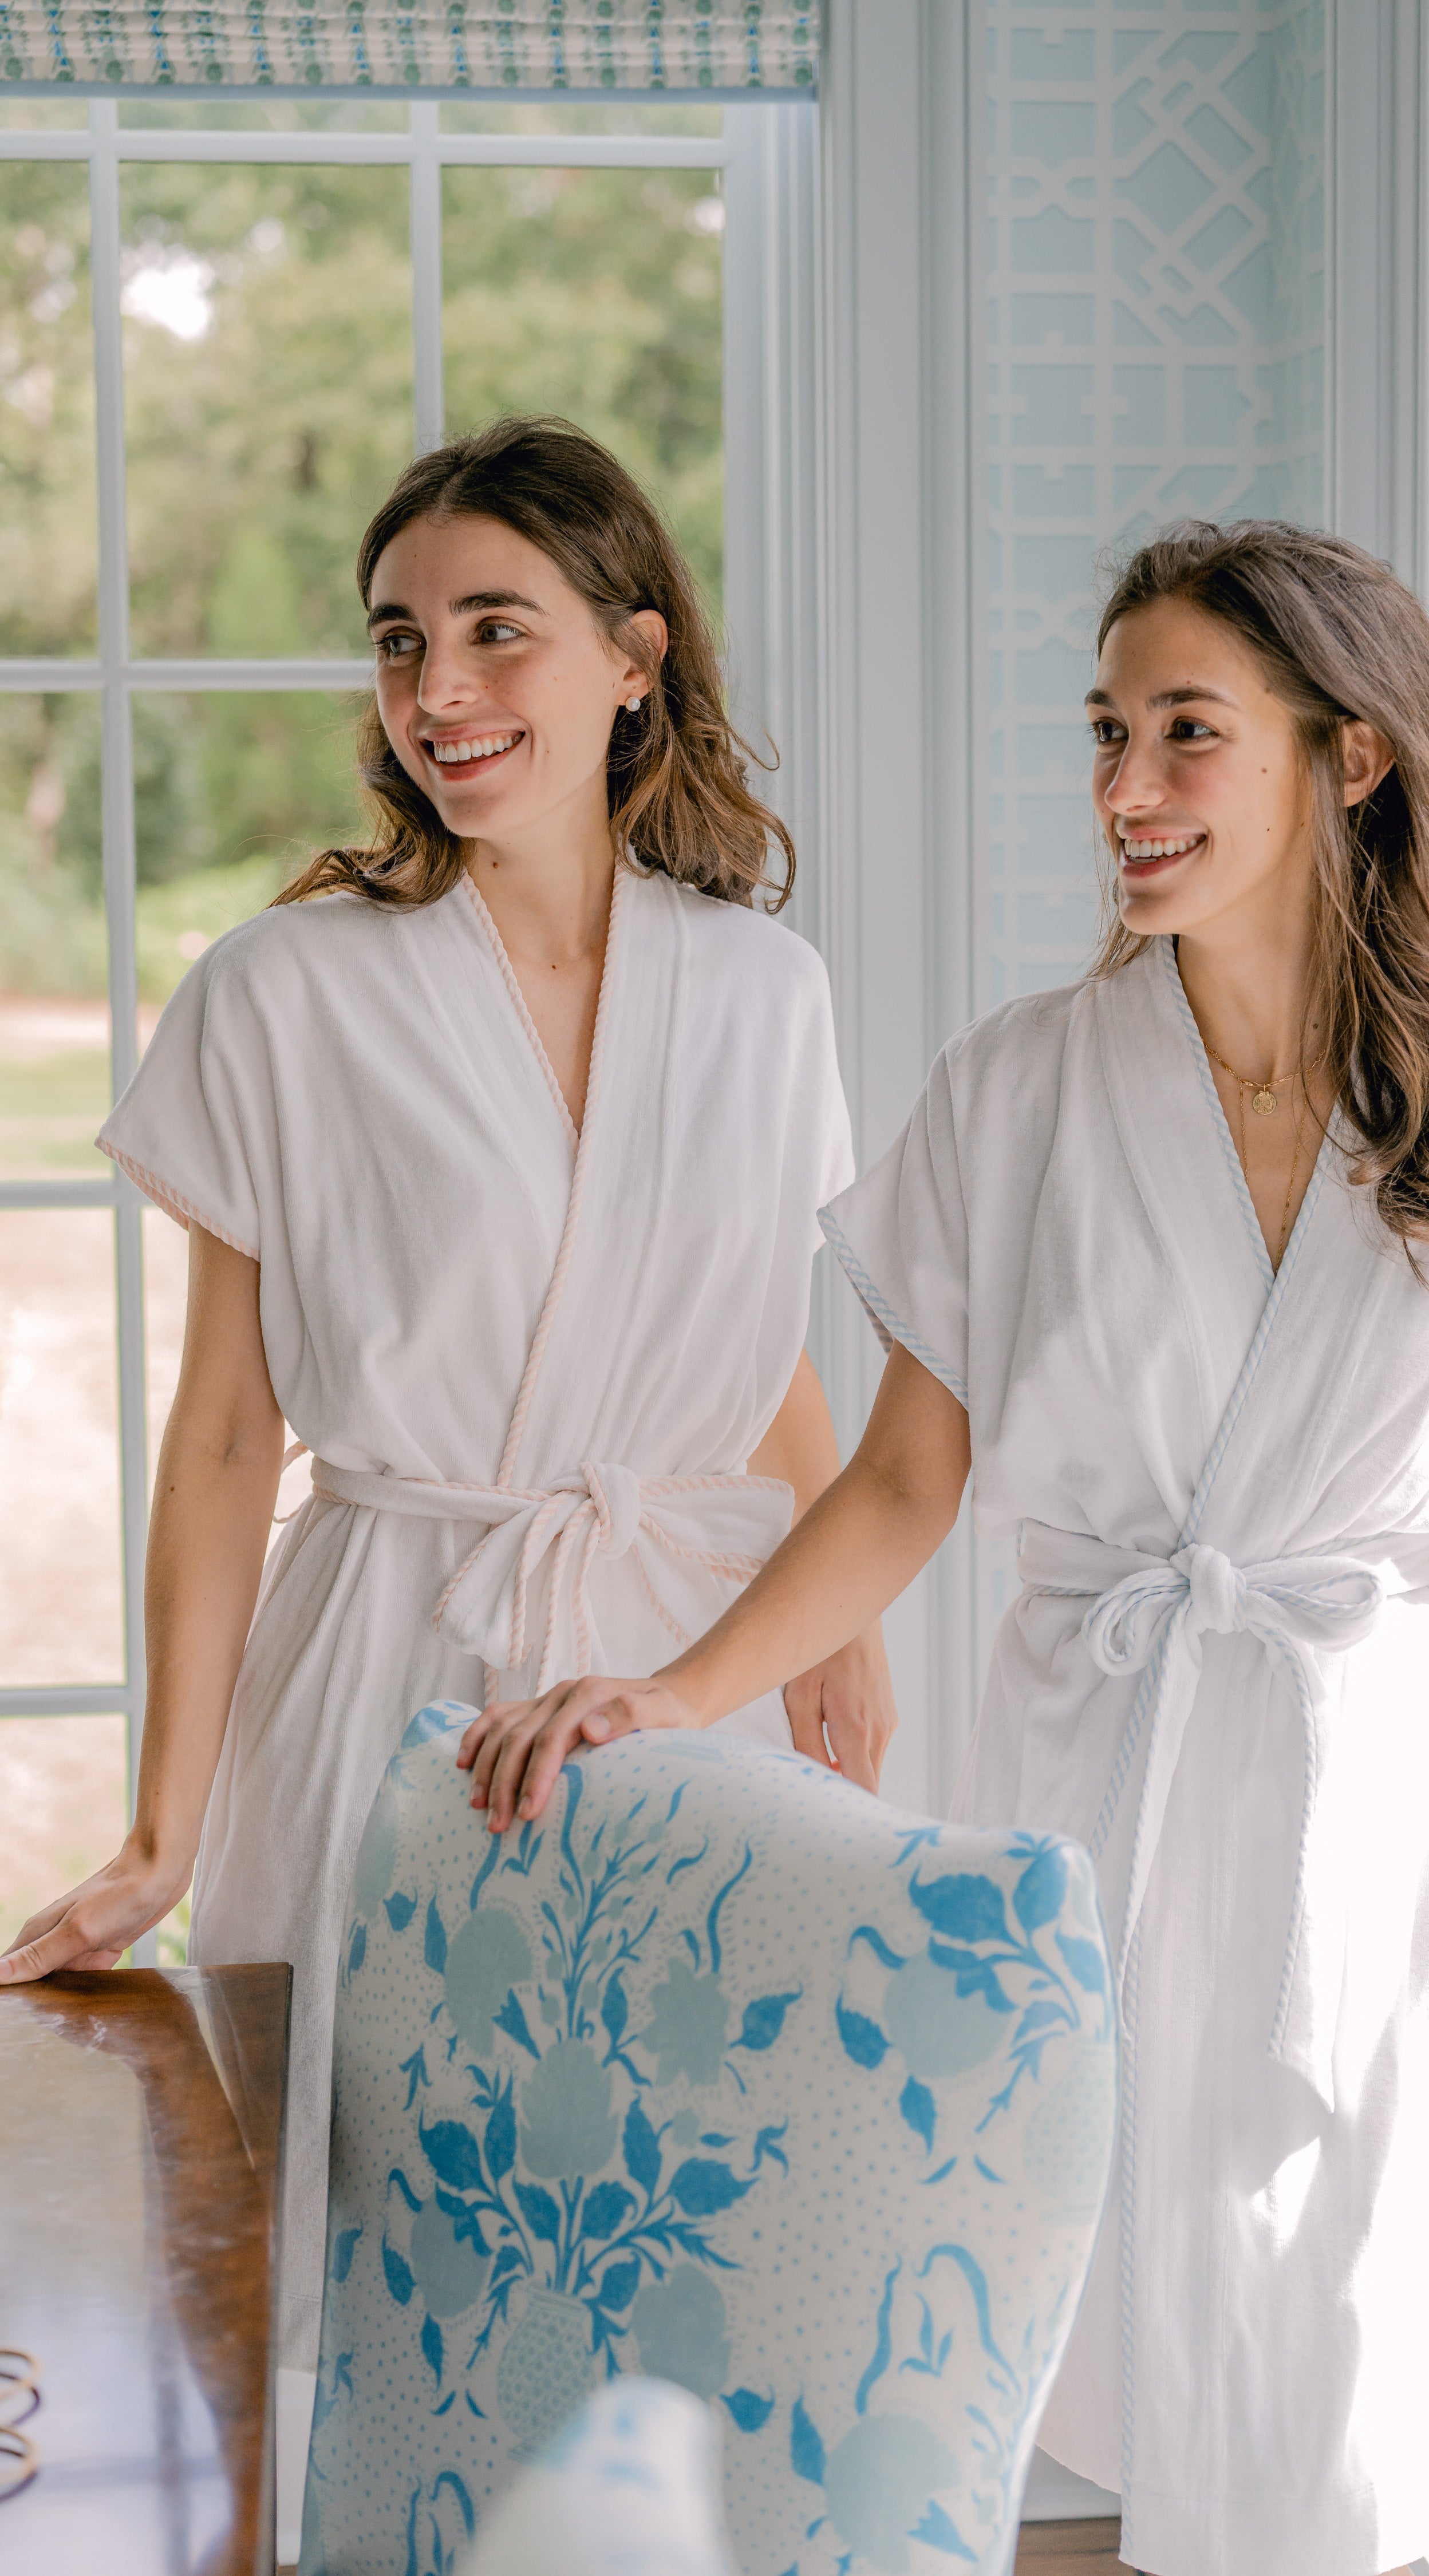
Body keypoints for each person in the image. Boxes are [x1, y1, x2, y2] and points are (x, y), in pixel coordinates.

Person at [456, 521, 1429, 2576]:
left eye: (1188, 732)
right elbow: (898, 1483)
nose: (1126, 785)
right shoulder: (1021, 1089)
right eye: (1107, 732)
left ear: (1351, 757)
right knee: (1066, 2395)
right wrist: (677, 1688)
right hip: (1099, 1798)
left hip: (1397, 1829)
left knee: (1351, 2404)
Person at [0, 417, 894, 2399]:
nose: (441, 690)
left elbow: (755, 1340)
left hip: (688, 1669)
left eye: (500, 629)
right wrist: (161, 1826)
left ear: (635, 658)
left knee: (676, 2245)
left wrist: (838, 1621)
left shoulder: (767, 992)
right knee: (376, 2261)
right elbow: (223, 1438)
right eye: (402, 640)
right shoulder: (286, 989)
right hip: (391, 1660)